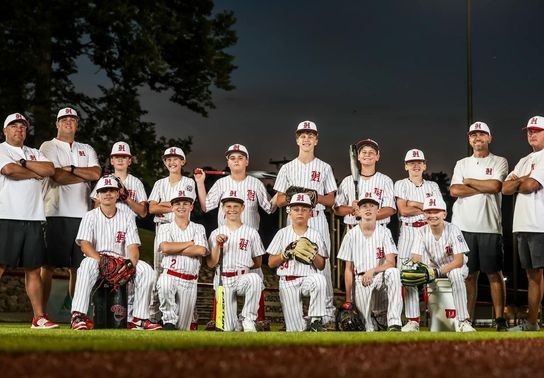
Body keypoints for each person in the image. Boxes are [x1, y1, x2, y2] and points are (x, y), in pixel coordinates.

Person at [195, 143, 275, 331]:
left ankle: (256, 320)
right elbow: (207, 206)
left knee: (255, 279)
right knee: (221, 280)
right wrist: (200, 182)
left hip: (250, 239)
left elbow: (269, 207)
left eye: (240, 157)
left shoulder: (255, 184)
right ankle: (219, 319)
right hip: (226, 240)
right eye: (232, 158)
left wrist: (279, 195)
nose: (236, 160)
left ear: (247, 161)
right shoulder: (221, 183)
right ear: (228, 162)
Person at [70, 176, 161, 330]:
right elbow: (85, 245)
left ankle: (139, 319)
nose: (108, 194)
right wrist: (102, 261)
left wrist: (130, 263)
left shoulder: (127, 216)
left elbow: (133, 247)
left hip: (121, 262)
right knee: (85, 266)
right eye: (103, 191)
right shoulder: (90, 216)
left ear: (118, 194)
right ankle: (78, 315)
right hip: (96, 259)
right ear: (97, 195)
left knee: (146, 271)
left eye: (112, 190)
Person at [273, 120, 337, 328]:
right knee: (292, 258)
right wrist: (294, 195)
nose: (306, 138)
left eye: (310, 135)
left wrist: (315, 196)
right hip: (294, 219)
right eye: (303, 135)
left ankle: (324, 317)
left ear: (316, 140)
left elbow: (332, 200)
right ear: (297, 139)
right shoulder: (287, 168)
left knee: (321, 267)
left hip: (317, 217)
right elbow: (279, 200)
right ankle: (294, 315)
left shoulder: (324, 167)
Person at [0, 113, 58, 329]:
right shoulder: (1, 150)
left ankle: (39, 318)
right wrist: (34, 170)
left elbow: (50, 170)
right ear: (5, 130)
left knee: (33, 269)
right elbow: (9, 170)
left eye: (22, 126)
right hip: (6, 216)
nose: (19, 129)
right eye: (14, 126)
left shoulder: (34, 152)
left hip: (33, 218)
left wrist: (24, 163)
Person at [449, 122, 509, 331]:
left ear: (489, 138)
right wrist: (482, 186)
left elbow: (496, 186)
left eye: (482, 134)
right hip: (463, 227)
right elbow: (455, 190)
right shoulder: (462, 162)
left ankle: (500, 319)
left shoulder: (499, 161)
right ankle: (467, 320)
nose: (477, 138)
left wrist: (471, 182)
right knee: (469, 276)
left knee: (494, 274)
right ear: (469, 139)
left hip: (490, 227)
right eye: (473, 135)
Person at [40, 107, 101, 305]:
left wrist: (72, 169)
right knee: (48, 265)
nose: (68, 122)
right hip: (55, 213)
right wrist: (82, 175)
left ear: (77, 124)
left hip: (83, 215)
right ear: (57, 124)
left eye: (72, 119)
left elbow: (96, 174)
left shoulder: (87, 148)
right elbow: (57, 176)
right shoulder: (48, 146)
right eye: (64, 119)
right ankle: (40, 314)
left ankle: (78, 313)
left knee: (78, 268)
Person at [334, 138, 396, 329]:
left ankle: (386, 318)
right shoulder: (347, 181)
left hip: (379, 233)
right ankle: (354, 308)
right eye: (363, 152)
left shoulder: (385, 180)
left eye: (371, 152)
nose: (367, 154)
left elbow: (390, 209)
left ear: (377, 156)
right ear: (358, 157)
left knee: (385, 275)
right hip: (353, 232)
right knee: (353, 272)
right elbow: (337, 209)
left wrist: (367, 216)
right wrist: (352, 209)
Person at [337, 194, 403, 332]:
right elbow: (348, 269)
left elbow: (391, 262)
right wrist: (348, 299)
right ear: (358, 211)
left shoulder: (385, 232)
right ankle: (373, 321)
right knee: (368, 327)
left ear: (378, 211)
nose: (368, 209)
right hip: (360, 280)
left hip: (380, 277)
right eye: (364, 206)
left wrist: (373, 270)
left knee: (394, 272)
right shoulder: (351, 234)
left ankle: (394, 323)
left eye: (372, 206)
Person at [502, 116, 544, 331]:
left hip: (540, 224)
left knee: (538, 274)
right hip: (522, 225)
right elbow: (505, 188)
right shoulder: (524, 159)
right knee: (532, 275)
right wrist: (522, 179)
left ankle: (533, 322)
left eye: (536, 130)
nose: (532, 134)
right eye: (529, 131)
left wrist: (519, 180)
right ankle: (533, 323)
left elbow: (530, 185)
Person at [411, 196, 476, 332]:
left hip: (456, 266)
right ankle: (413, 322)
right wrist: (416, 270)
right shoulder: (420, 231)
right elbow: (416, 258)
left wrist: (437, 272)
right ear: (424, 214)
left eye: (436, 212)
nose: (432, 215)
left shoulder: (453, 229)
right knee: (408, 274)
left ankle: (463, 321)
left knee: (456, 274)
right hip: (433, 269)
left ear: (444, 214)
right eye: (429, 212)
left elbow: (458, 261)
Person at [394, 149, 442, 332]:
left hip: (429, 232)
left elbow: (437, 211)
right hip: (408, 233)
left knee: (432, 276)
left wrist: (414, 203)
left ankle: (437, 319)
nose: (415, 165)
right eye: (411, 162)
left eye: (419, 162)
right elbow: (403, 211)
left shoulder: (433, 186)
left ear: (424, 165)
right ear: (406, 166)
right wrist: (426, 208)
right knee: (408, 276)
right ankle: (413, 320)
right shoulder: (400, 184)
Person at [148, 146, 197, 323]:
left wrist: (165, 204)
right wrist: (176, 205)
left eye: (175, 159)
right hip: (162, 228)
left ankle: (190, 316)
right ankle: (154, 317)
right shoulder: (159, 183)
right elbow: (152, 208)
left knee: (185, 269)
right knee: (159, 272)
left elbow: (184, 206)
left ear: (183, 161)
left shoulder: (189, 182)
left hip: (182, 229)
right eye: (168, 159)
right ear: (164, 162)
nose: (172, 162)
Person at [267, 193, 328, 331]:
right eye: (296, 209)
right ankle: (306, 323)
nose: (300, 212)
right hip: (288, 281)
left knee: (319, 280)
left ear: (310, 213)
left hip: (308, 279)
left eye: (304, 209)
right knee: (295, 330)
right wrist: (284, 255)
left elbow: (321, 265)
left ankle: (316, 320)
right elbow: (270, 262)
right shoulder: (282, 233)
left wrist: (314, 254)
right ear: (289, 212)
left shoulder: (316, 234)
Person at [206, 192, 266, 332]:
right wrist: (217, 245)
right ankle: (237, 323)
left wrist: (242, 264)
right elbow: (210, 264)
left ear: (242, 208)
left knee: (255, 278)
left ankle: (248, 318)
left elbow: (258, 261)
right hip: (223, 279)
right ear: (223, 208)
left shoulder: (251, 232)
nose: (232, 209)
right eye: (228, 206)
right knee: (228, 329)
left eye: (235, 206)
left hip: (243, 277)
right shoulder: (215, 233)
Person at [156, 191, 208, 330]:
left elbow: (201, 250)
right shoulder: (164, 227)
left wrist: (175, 247)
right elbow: (165, 247)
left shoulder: (198, 227)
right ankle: (167, 319)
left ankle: (171, 328)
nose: (181, 206)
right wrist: (190, 243)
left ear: (191, 207)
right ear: (172, 207)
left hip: (190, 281)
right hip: (170, 274)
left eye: (186, 203)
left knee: (182, 328)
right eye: (177, 204)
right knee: (164, 282)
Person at [91, 141, 147, 218]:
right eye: (117, 157)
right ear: (112, 161)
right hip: (105, 223)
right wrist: (109, 197)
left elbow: (143, 213)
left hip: (128, 225)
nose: (120, 160)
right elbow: (96, 208)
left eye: (124, 157)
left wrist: (126, 198)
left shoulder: (136, 182)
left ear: (129, 161)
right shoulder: (104, 180)